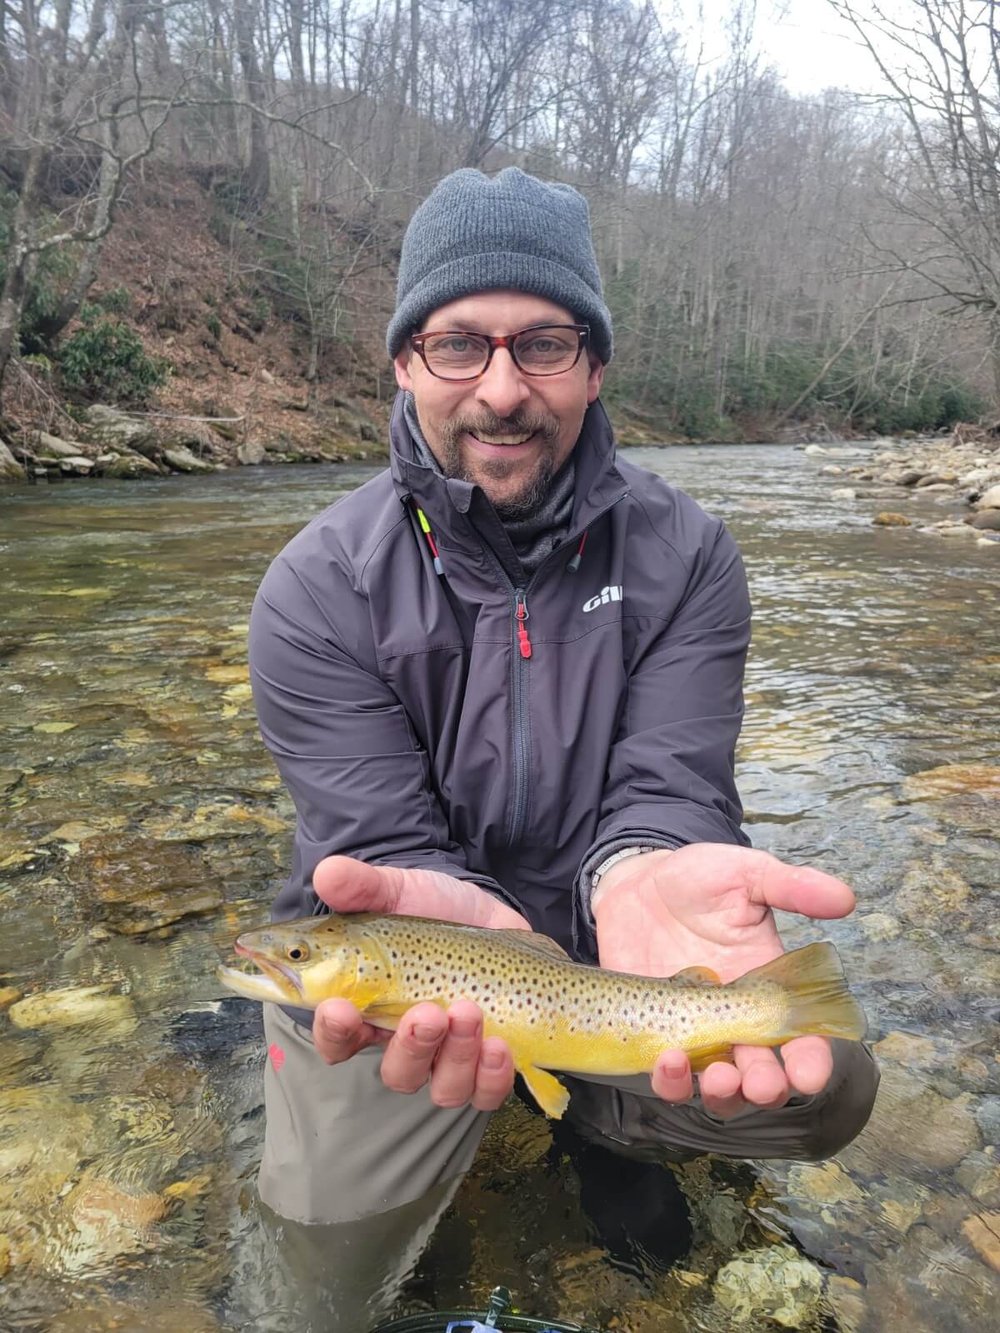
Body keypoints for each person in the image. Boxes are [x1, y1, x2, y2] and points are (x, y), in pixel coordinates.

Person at [246, 168, 879, 1282]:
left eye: (542, 344)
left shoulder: (687, 556)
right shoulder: (317, 587)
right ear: (404, 361)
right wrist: (452, 926)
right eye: (459, 345)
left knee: (825, 1083)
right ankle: (513, 1113)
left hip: (605, 951)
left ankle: (604, 1129)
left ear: (593, 366)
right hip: (423, 955)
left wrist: (645, 868)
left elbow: (669, 784)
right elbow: (379, 848)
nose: (500, 389)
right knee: (327, 1255)